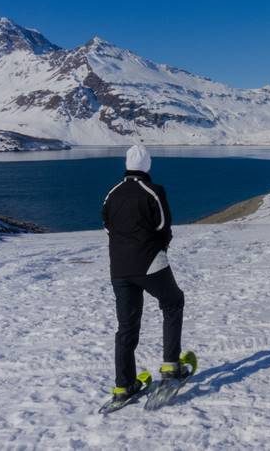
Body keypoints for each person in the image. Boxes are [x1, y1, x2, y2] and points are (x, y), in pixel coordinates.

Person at [102, 144, 186, 402]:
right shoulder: (153, 191)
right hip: (150, 262)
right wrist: (162, 245)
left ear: (126, 164)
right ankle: (171, 365)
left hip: (119, 268)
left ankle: (123, 386)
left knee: (126, 326)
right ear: (147, 165)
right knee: (173, 302)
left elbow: (107, 226)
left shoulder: (112, 193)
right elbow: (163, 223)